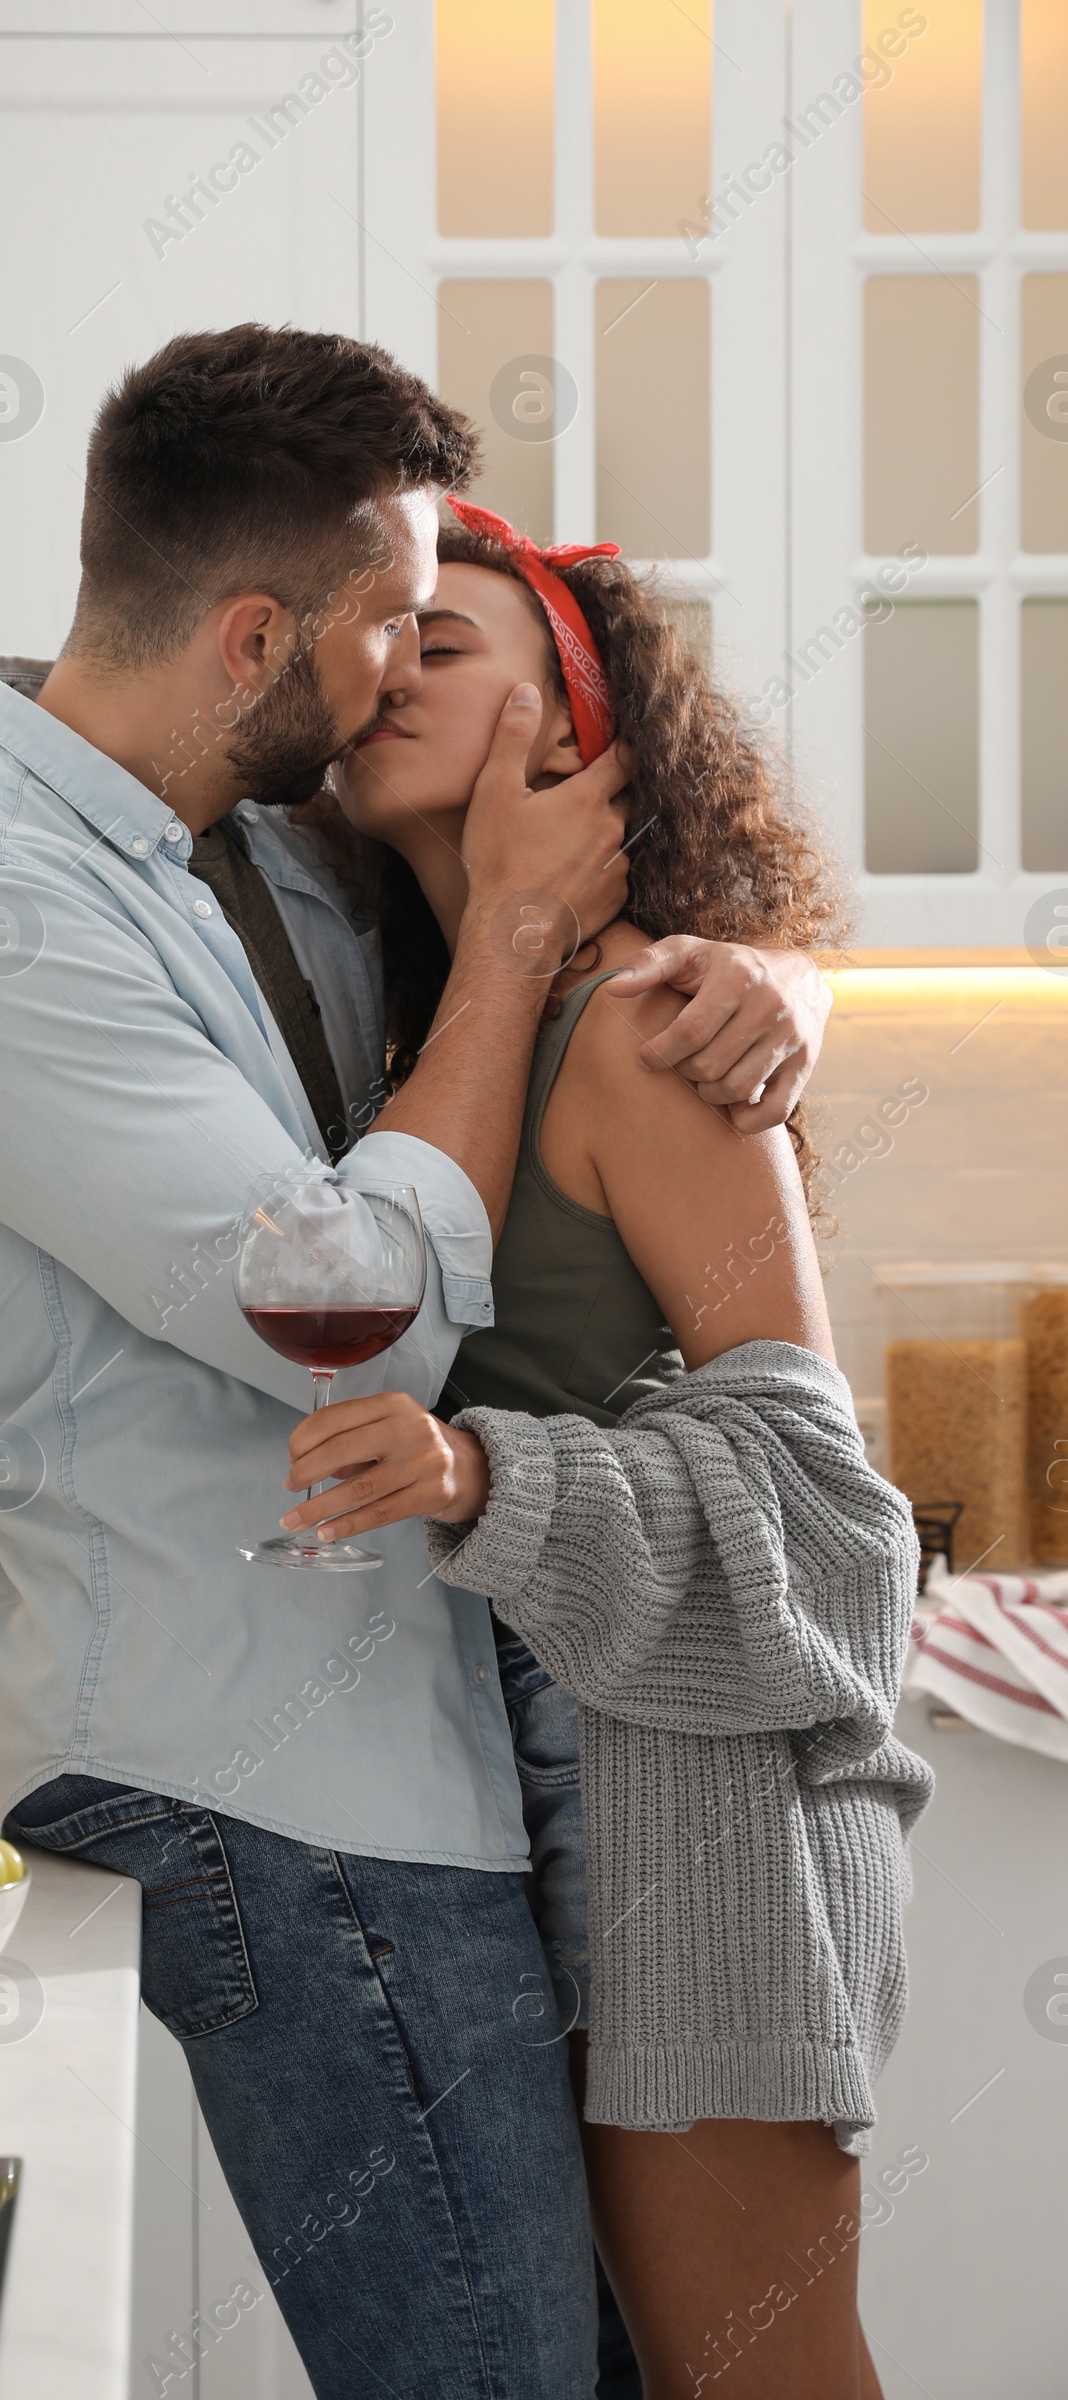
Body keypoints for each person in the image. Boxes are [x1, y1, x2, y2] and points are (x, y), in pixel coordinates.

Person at [0, 324, 835, 2400]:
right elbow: (352, 1299)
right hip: (278, 1781)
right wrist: (530, 945)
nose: (391, 676)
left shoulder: (240, 848)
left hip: (459, 1771)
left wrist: (777, 978)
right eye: (388, 624)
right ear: (260, 634)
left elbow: (639, 900)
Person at [280, 498, 933, 2398]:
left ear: (572, 729)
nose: (392, 667)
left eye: (453, 645)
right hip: (517, 1777)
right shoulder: (431, 1021)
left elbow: (830, 1524)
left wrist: (488, 1480)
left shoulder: (647, 1024)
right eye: (382, 634)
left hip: (700, 1813)